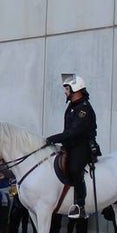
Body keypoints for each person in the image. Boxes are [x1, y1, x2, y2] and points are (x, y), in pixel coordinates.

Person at [44, 73, 99, 219]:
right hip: (70, 145)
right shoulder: (72, 106)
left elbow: (74, 132)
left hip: (82, 145)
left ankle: (80, 205)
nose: (65, 92)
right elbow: (67, 131)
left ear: (76, 89)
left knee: (75, 168)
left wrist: (53, 138)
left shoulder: (84, 109)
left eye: (67, 89)